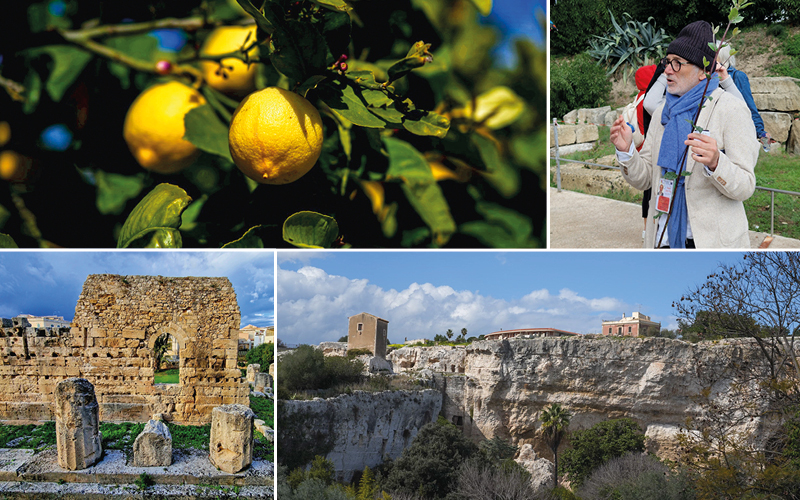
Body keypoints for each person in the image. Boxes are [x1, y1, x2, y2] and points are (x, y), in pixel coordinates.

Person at [610, 20, 759, 249]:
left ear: (704, 72)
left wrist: (717, 162)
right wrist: (626, 151)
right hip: (663, 238)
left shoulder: (731, 110)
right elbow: (647, 178)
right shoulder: (663, 111)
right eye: (667, 62)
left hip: (709, 246)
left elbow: (746, 185)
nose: (667, 70)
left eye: (678, 63)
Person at [717, 42, 773, 150]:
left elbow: (749, 106)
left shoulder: (738, 76)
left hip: (734, 134)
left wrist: (761, 132)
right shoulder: (708, 78)